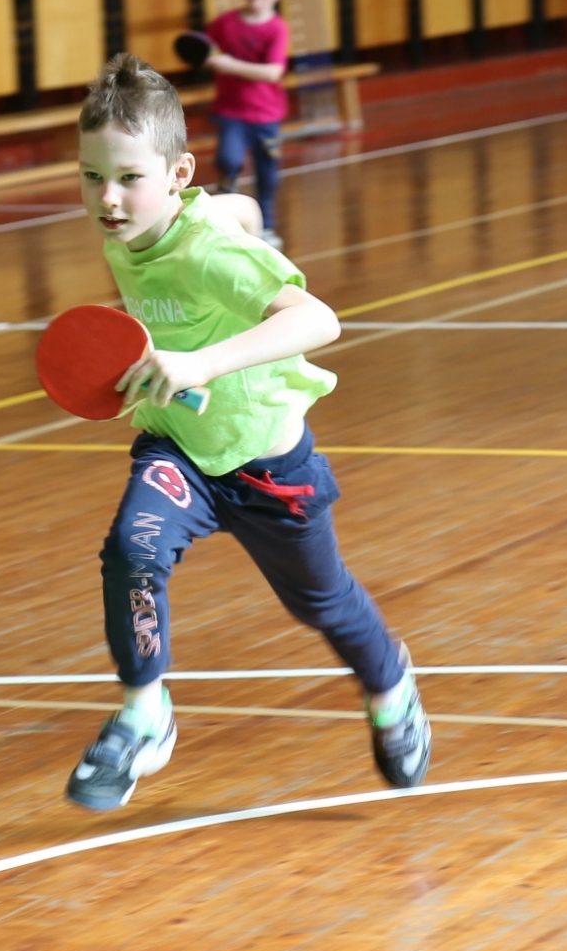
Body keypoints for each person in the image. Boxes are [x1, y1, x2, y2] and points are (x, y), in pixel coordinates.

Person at [65, 53, 431, 812]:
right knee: (132, 548)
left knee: (321, 601)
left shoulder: (207, 252)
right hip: (180, 451)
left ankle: (391, 685)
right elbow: (235, 209)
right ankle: (145, 714)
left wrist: (201, 359)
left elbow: (318, 319)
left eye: (129, 177)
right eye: (91, 176)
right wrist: (248, 214)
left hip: (267, 465)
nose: (108, 197)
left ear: (176, 173)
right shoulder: (134, 227)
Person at [203, 0, 292, 251]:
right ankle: (226, 223)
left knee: (268, 175)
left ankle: (265, 225)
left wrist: (229, 65)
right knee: (228, 160)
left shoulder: (277, 29)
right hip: (232, 112)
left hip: (266, 115)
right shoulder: (226, 22)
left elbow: (272, 73)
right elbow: (204, 44)